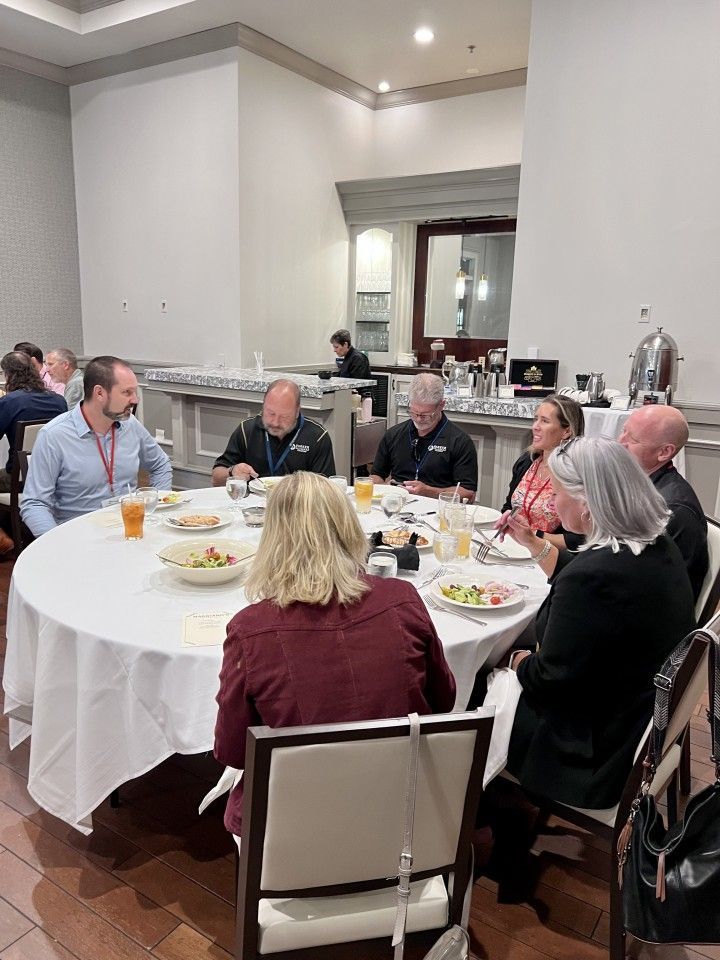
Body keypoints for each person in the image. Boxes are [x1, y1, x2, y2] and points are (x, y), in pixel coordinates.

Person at [213, 471, 456, 836]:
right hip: (403, 808)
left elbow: (231, 750)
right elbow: (444, 699)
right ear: (347, 528)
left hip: (295, 825)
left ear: (273, 540)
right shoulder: (402, 600)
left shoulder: (250, 630)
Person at [499, 436, 695, 809]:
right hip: (635, 713)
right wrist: (531, 541)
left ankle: (491, 818)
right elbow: (586, 584)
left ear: (587, 505)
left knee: (470, 685)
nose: (553, 504)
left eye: (557, 494)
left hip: (593, 752)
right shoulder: (655, 543)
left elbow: (549, 681)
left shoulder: (593, 578)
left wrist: (513, 660)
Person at [20, 356, 172, 536]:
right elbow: (35, 503)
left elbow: (160, 465)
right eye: (127, 392)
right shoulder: (54, 436)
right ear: (99, 393)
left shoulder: (130, 425)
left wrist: (156, 507)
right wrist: (56, 544)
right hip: (79, 536)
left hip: (130, 530)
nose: (135, 400)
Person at [619, 405, 708, 602]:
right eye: (623, 430)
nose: (620, 442)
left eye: (631, 438)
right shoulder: (642, 484)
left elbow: (655, 588)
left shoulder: (671, 509)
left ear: (664, 452)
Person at [370, 372, 478, 501]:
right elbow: (377, 475)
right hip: (397, 504)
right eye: (414, 413)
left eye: (426, 415)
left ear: (441, 405)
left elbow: (468, 492)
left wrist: (428, 491)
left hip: (439, 509)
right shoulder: (393, 434)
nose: (419, 419)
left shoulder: (460, 441)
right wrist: (384, 487)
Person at [0, 352, 67, 554]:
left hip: (19, 476)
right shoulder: (58, 401)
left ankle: (3, 538)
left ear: (9, 375)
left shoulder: (10, 402)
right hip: (57, 472)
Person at [211, 378, 335, 485]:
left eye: (284, 417)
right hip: (251, 507)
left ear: (297, 412)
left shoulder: (317, 437)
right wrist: (232, 472)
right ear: (263, 406)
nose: (275, 422)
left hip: (297, 508)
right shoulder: (247, 430)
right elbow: (216, 479)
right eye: (270, 413)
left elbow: (326, 492)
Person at [501, 394, 584, 549]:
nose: (535, 426)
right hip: (513, 548)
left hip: (550, 556)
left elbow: (579, 539)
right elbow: (508, 507)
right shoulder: (527, 461)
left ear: (566, 432)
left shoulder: (575, 474)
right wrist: (507, 520)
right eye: (536, 419)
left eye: (544, 421)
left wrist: (534, 536)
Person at [330, 328, 373, 421]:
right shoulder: (348, 357)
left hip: (359, 403)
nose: (334, 350)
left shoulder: (358, 358)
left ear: (345, 344)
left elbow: (356, 383)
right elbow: (344, 375)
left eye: (336, 347)